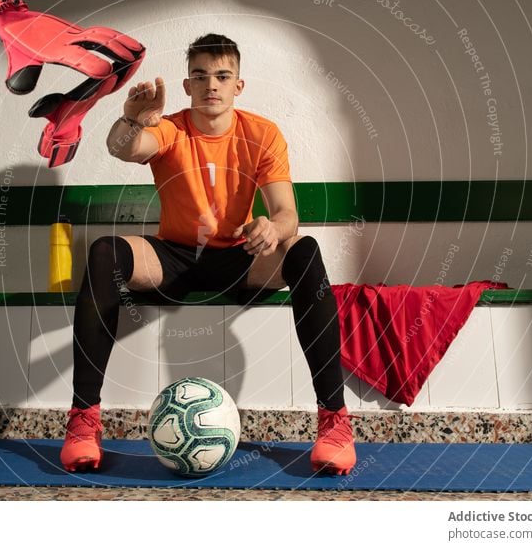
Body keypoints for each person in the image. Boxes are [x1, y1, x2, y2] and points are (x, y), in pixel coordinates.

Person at [60, 34, 356, 475]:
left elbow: (287, 213)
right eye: (200, 76)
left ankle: (335, 422)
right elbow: (122, 148)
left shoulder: (262, 133)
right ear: (187, 85)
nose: (211, 86)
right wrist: (131, 119)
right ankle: (83, 422)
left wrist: (272, 229)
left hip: (241, 257)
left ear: (239, 85)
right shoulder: (169, 127)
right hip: (174, 258)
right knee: (106, 253)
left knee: (305, 251)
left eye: (222, 76)